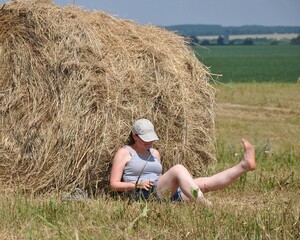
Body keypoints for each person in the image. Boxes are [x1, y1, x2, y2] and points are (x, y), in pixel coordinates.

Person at [109, 118, 256, 205]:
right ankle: (204, 205)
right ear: (135, 136)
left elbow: (160, 179)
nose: (150, 142)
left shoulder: (154, 153)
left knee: (203, 183)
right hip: (142, 195)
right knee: (178, 168)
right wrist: (136, 184)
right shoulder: (125, 153)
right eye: (145, 139)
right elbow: (114, 185)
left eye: (151, 138)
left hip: (160, 193)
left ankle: (244, 165)